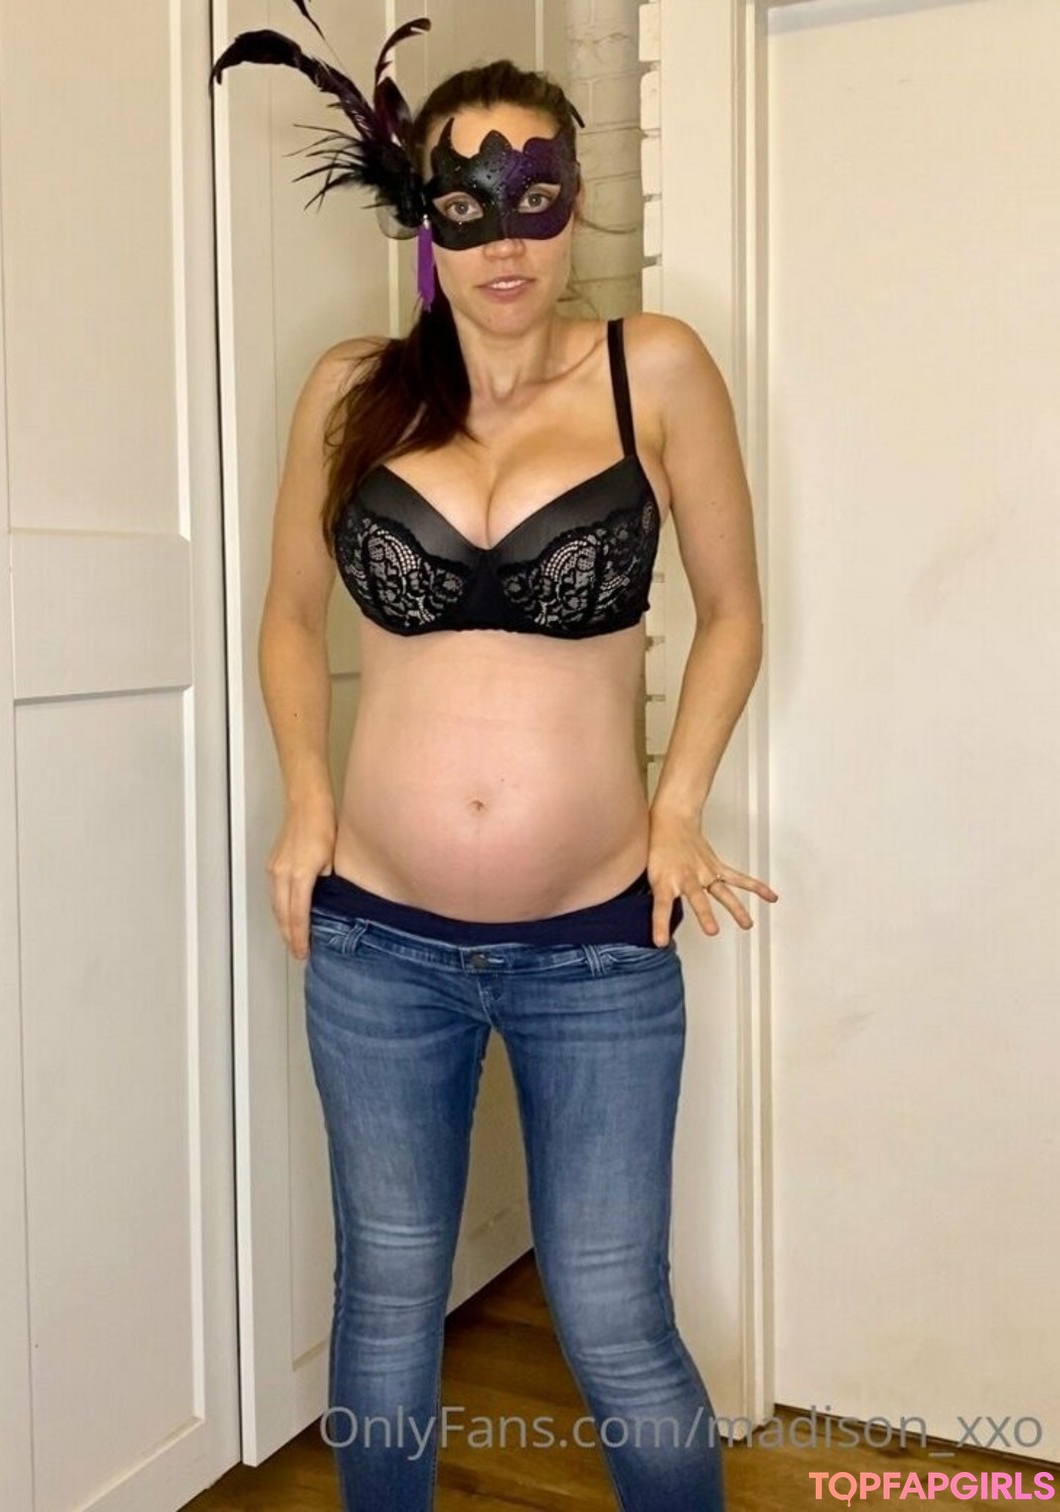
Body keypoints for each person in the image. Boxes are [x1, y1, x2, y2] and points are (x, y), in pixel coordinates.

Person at [215, 12, 777, 1510]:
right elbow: (287, 618)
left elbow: (734, 613)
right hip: (376, 941)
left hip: (598, 942)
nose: (505, 240)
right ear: (422, 217)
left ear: (574, 202)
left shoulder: (654, 369)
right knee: (389, 1295)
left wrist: (677, 809)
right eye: (466, 204)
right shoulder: (353, 390)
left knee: (613, 1314)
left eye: (535, 197)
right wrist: (307, 803)